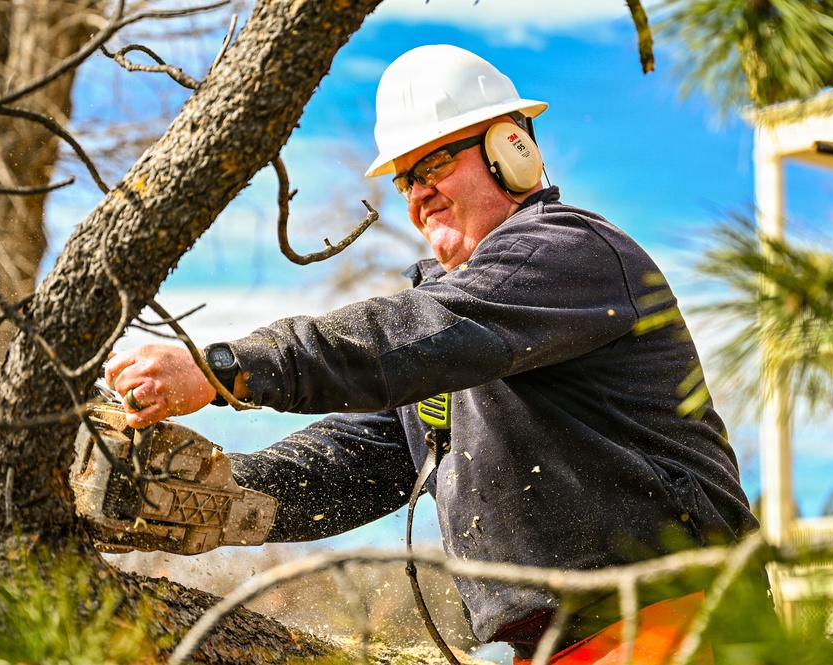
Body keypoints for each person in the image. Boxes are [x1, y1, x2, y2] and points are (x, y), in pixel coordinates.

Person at [105, 44, 761, 663]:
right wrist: (210, 497)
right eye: (405, 179)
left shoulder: (566, 254)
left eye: (436, 165)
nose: (417, 194)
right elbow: (354, 462)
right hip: (563, 637)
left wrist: (224, 368)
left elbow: (408, 333)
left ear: (513, 148)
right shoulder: (451, 341)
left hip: (673, 609)